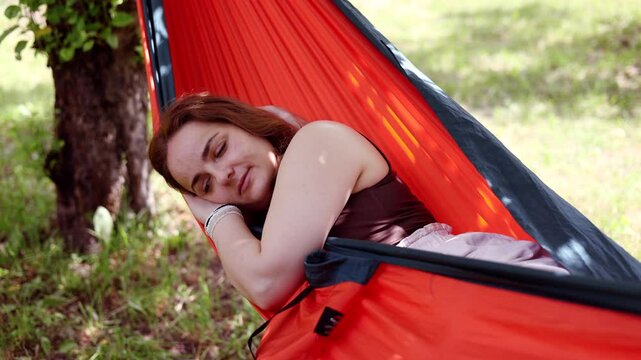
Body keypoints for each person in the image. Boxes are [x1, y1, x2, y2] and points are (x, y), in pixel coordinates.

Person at [149, 94, 567, 311]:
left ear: (246, 125)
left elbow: (265, 284)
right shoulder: (266, 223)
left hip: (456, 290)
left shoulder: (317, 143)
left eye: (219, 149)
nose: (221, 176)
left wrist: (216, 214)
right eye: (203, 185)